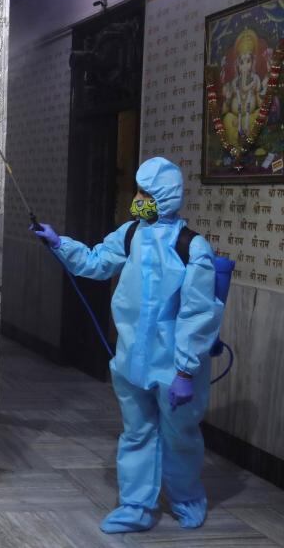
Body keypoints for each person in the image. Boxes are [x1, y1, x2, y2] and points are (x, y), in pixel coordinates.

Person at [32, 157, 223, 533]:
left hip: (174, 367)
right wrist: (59, 243)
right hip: (131, 359)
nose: (137, 198)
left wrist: (186, 369)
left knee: (180, 436)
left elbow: (198, 314)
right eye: (138, 190)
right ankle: (136, 506)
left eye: (145, 192)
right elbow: (96, 262)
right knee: (136, 432)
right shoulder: (131, 234)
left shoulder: (192, 247)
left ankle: (186, 498)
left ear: (163, 196)